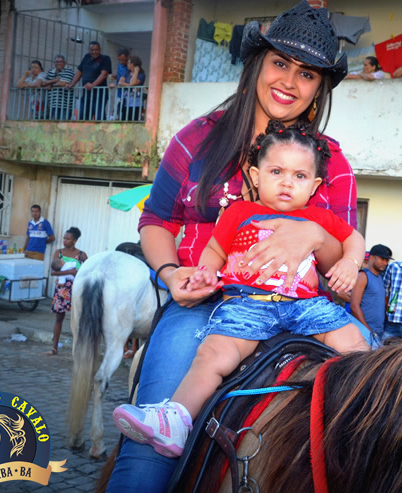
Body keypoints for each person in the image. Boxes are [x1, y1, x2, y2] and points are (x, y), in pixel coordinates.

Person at [106, 1, 354, 491]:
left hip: (305, 309)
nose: (289, 81)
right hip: (204, 306)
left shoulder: (330, 161)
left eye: (307, 74)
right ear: (257, 63)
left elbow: (345, 258)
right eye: (280, 63)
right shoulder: (195, 139)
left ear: (319, 87)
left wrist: (315, 235)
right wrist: (171, 273)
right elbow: (156, 220)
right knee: (147, 454)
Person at [113, 121, 369, 457]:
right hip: (248, 304)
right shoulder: (239, 212)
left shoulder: (319, 217)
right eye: (276, 171)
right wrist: (205, 272)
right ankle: (175, 418)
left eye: (300, 176)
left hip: (306, 305)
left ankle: (374, 406)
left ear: (315, 185)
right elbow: (215, 250)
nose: (287, 183)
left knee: (356, 345)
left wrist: (350, 262)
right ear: (256, 175)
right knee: (213, 355)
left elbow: (353, 238)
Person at [47, 227, 87, 355]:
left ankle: (80, 349)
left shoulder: (82, 255)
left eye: (68, 239)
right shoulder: (58, 253)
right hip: (62, 290)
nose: (65, 241)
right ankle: (54, 348)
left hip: (77, 289)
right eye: (64, 238)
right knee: (59, 318)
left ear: (75, 240)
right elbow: (53, 272)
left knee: (79, 319)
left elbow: (88, 271)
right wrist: (70, 272)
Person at [351, 244, 392, 339]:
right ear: (372, 258)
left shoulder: (380, 278)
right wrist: (368, 331)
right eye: (382, 259)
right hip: (365, 332)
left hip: (378, 331)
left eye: (387, 260)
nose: (385, 263)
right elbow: (354, 306)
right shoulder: (363, 276)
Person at [68, 41, 111, 120]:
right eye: (92, 50)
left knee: (99, 116)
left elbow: (104, 74)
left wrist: (92, 85)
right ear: (89, 50)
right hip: (86, 93)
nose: (94, 52)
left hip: (99, 94)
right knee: (82, 116)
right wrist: (72, 83)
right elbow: (79, 71)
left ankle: (101, 128)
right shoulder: (86, 57)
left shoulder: (105, 58)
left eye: (96, 50)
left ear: (100, 50)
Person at [43, 54, 75, 120]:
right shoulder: (51, 71)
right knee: (55, 124)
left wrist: (50, 84)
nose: (58, 63)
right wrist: (54, 80)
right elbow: (44, 83)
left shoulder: (69, 70)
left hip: (65, 105)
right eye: (57, 62)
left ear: (65, 63)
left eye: (61, 62)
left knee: (63, 124)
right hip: (53, 103)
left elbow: (62, 83)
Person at [118, 55, 146, 121]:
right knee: (123, 120)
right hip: (125, 102)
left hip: (136, 103)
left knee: (134, 120)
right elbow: (120, 83)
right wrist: (130, 86)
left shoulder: (141, 74)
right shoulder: (126, 72)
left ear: (133, 64)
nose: (127, 64)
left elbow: (133, 83)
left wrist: (136, 72)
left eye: (128, 63)